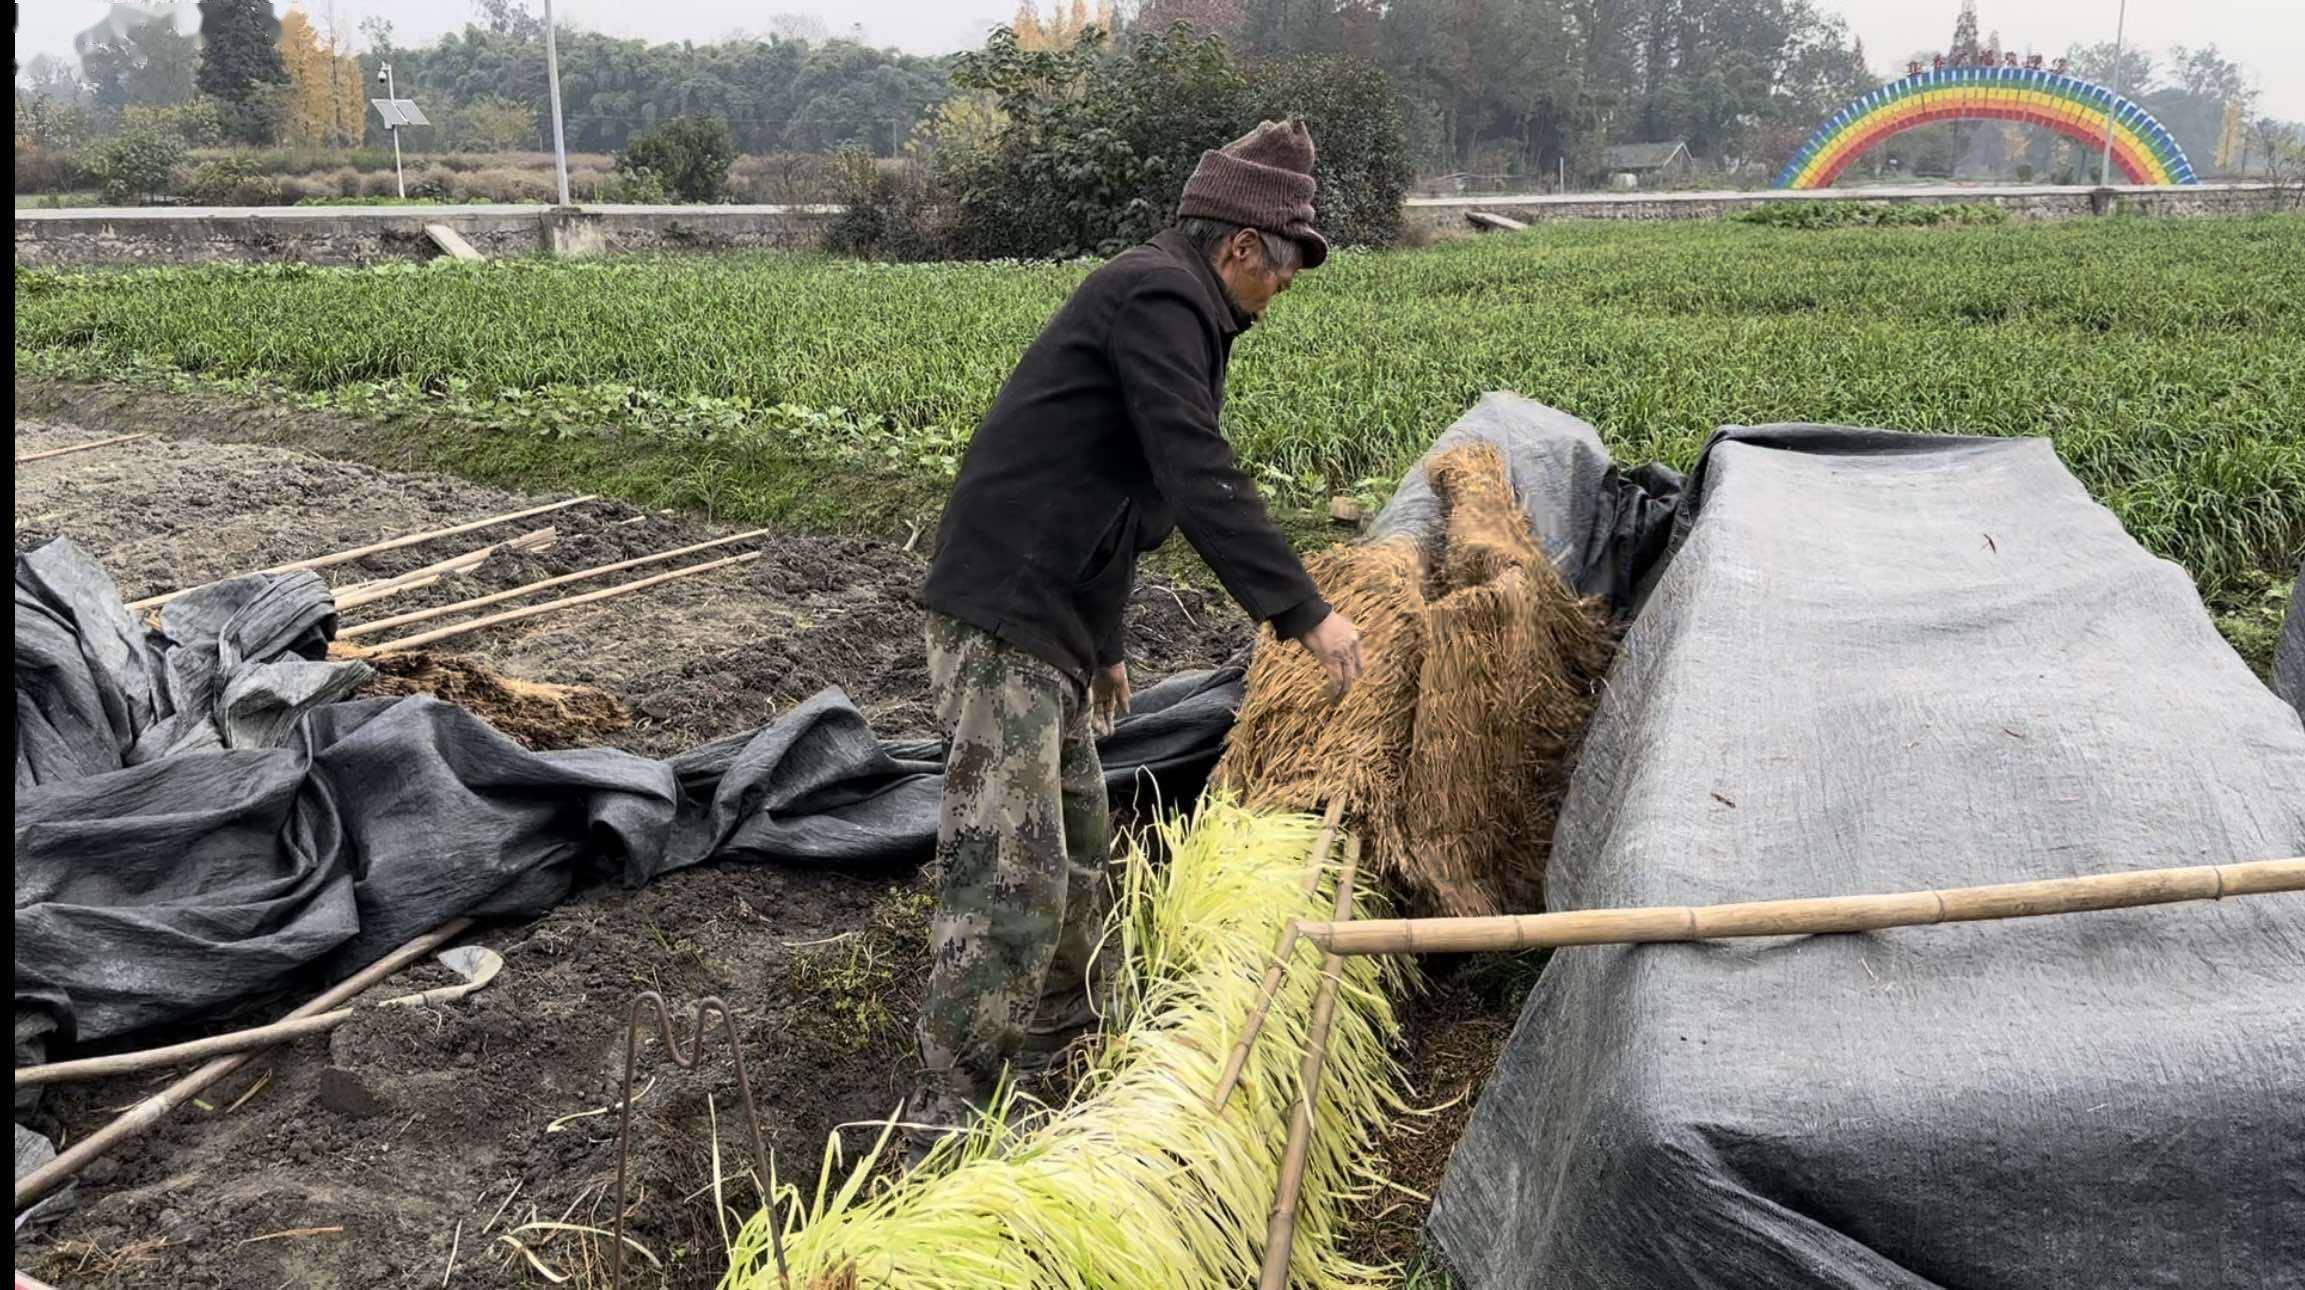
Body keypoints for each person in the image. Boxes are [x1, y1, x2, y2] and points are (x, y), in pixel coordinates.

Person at [906, 117, 1364, 1152]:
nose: (1282, 293)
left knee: (1075, 852)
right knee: (1009, 870)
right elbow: (1193, 465)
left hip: (1051, 622)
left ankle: (1072, 1052)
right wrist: (1302, 611)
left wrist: (1106, 644)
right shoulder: (1159, 294)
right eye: (1283, 272)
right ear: (1240, 248)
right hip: (1001, 622)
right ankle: (956, 1112)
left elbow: (1124, 491)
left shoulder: (1183, 308)